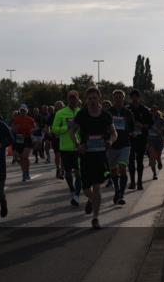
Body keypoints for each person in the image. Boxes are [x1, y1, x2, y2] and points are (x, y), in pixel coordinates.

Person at [68, 87, 116, 229]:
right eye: (90, 98)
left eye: (95, 98)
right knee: (86, 189)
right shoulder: (82, 115)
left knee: (97, 187)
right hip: (86, 156)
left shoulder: (106, 115)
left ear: (99, 98)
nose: (92, 101)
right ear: (86, 100)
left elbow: (114, 133)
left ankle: (95, 218)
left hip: (100, 156)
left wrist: (110, 142)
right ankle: (92, 200)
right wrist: (77, 144)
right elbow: (72, 131)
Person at [52, 92, 82, 206]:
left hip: (78, 147)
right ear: (68, 99)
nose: (73, 100)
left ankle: (77, 196)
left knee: (79, 173)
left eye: (75, 98)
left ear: (78, 99)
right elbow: (54, 129)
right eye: (70, 98)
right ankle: (72, 189)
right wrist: (66, 128)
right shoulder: (60, 113)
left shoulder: (81, 112)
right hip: (65, 147)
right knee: (68, 173)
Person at [106, 90, 135, 206]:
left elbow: (132, 126)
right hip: (112, 145)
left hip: (124, 144)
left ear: (123, 99)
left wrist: (130, 132)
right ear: (113, 99)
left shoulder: (127, 112)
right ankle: (117, 190)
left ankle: (122, 195)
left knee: (123, 168)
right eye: (116, 97)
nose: (118, 99)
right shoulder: (108, 112)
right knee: (113, 170)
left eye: (120, 97)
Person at [127, 90, 152, 191]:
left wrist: (141, 125)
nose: (134, 99)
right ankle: (132, 182)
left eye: (136, 97)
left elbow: (150, 124)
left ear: (139, 98)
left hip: (141, 138)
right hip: (130, 138)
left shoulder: (145, 110)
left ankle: (140, 182)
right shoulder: (127, 109)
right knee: (130, 161)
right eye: (132, 97)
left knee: (140, 160)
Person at [11, 105, 36, 181]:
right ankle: (24, 173)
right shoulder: (16, 119)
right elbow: (12, 129)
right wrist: (15, 128)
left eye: (24, 111)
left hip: (28, 138)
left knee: (25, 156)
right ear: (19, 111)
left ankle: (27, 172)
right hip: (19, 139)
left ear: (26, 111)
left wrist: (32, 130)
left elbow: (35, 127)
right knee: (21, 158)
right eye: (21, 111)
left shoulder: (30, 119)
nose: (22, 112)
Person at [148, 108, 164, 177]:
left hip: (159, 139)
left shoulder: (161, 119)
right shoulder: (147, 119)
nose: (153, 113)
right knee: (152, 156)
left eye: (155, 111)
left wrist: (161, 129)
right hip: (150, 139)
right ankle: (154, 173)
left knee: (158, 155)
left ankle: (159, 161)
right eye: (152, 111)